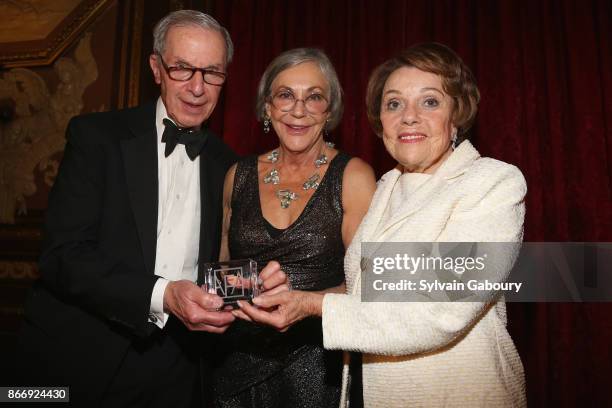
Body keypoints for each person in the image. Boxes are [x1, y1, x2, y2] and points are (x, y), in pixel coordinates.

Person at [236, 42, 528, 407]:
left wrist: (312, 306)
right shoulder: (387, 187)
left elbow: (442, 308)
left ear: (457, 115)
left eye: (430, 101)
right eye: (394, 103)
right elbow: (366, 294)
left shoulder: (492, 182)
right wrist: (285, 296)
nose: (408, 116)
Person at [16, 10, 283, 407]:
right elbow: (61, 257)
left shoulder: (230, 165)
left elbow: (222, 264)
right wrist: (163, 294)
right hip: (80, 356)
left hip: (179, 366)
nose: (198, 87)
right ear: (156, 68)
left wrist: (262, 284)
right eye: (182, 69)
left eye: (212, 73)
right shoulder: (96, 138)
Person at [211, 48, 376, 407]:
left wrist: (306, 303)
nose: (298, 110)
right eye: (285, 95)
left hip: (319, 370)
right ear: (267, 107)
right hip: (238, 366)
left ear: (329, 110)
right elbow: (224, 272)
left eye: (314, 97)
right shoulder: (235, 177)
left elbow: (370, 284)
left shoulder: (354, 177)